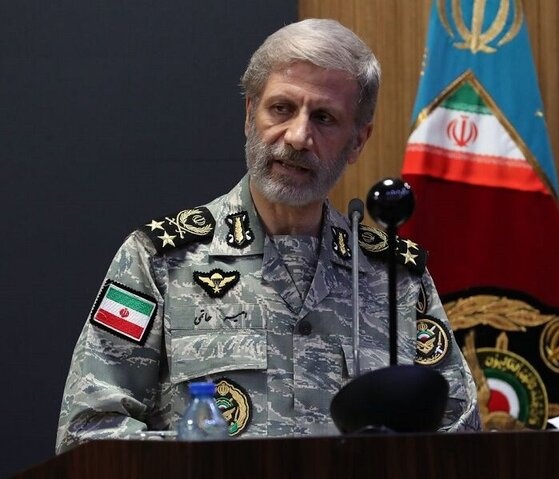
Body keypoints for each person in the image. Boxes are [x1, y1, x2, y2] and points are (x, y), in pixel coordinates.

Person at [56, 18, 480, 453]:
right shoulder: (159, 260)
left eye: (324, 118)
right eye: (281, 108)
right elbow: (89, 434)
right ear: (249, 114)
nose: (298, 137)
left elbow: (460, 438)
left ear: (357, 141)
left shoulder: (394, 278)